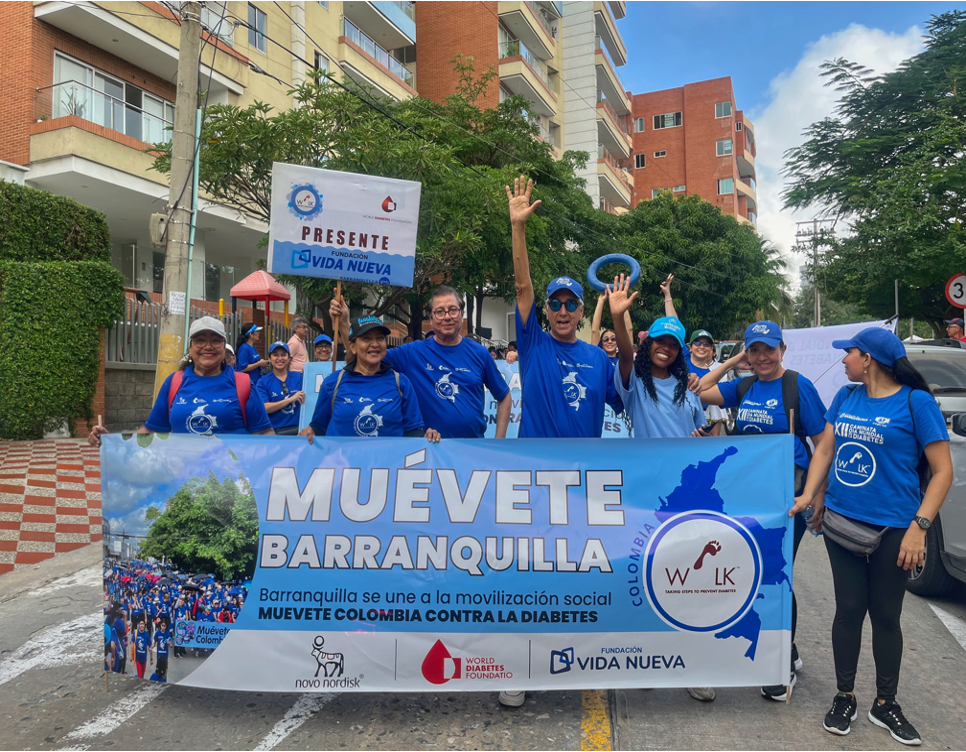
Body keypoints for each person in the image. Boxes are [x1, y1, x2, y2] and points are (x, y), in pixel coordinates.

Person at [792, 328, 952, 745]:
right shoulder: (846, 397)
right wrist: (814, 494)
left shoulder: (916, 402)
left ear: (869, 359)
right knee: (847, 609)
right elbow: (826, 450)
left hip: (896, 528)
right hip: (842, 522)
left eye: (849, 353)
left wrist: (919, 528)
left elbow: (942, 472)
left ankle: (886, 704)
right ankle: (844, 696)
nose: (843, 360)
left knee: (885, 616)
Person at [698, 320, 830, 701]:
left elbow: (823, 442)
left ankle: (778, 667)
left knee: (776, 577)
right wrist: (736, 361)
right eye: (754, 350)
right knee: (754, 575)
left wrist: (816, 492)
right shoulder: (744, 386)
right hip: (748, 500)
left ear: (783, 350)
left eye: (768, 350)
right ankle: (786, 648)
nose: (762, 357)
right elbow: (702, 390)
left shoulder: (797, 386)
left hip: (787, 502)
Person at [505, 176, 621, 447]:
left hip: (583, 474)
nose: (563, 311)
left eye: (571, 304)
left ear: (581, 312)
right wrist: (518, 227)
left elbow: (628, 398)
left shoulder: (599, 358)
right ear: (546, 311)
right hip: (535, 469)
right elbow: (523, 287)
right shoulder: (533, 344)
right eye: (555, 304)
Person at [330, 285, 512, 439]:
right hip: (427, 453)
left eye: (453, 310)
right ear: (431, 318)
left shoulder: (479, 353)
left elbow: (504, 396)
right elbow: (364, 354)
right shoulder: (412, 352)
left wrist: (498, 442)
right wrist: (345, 323)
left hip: (471, 449)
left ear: (461, 314)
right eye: (439, 312)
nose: (447, 317)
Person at [88, 317, 274, 446]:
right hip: (183, 483)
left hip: (233, 485)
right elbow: (150, 431)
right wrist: (111, 442)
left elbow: (265, 434)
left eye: (216, 340)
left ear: (223, 347)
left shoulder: (243, 384)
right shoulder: (175, 382)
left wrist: (297, 448)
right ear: (191, 347)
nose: (207, 346)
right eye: (200, 340)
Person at [300, 315, 440, 443]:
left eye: (380, 338)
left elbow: (414, 432)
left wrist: (427, 436)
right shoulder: (333, 383)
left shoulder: (401, 383)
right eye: (366, 338)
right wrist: (310, 432)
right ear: (352, 346)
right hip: (342, 467)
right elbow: (319, 428)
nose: (375, 344)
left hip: (386, 467)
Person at [256, 341, 305, 436]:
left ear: (289, 358)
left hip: (299, 432)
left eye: (283, 355)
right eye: (275, 355)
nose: (280, 358)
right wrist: (290, 399)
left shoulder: (299, 377)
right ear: (269, 358)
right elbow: (264, 408)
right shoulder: (263, 381)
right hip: (275, 433)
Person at [685, 330, 728, 436]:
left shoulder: (711, 377)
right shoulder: (683, 359)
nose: (702, 347)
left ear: (711, 350)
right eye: (697, 343)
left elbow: (697, 407)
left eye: (706, 344)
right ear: (690, 347)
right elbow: (674, 321)